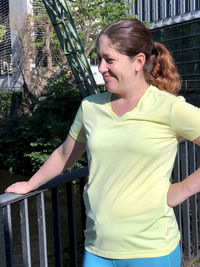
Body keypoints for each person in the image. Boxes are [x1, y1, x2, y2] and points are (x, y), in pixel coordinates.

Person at [6, 19, 200, 267]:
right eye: (99, 59)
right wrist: (30, 184)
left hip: (152, 249)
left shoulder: (169, 107)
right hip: (97, 248)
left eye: (109, 59)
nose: (101, 68)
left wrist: (181, 190)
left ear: (138, 61)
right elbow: (65, 153)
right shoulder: (90, 106)